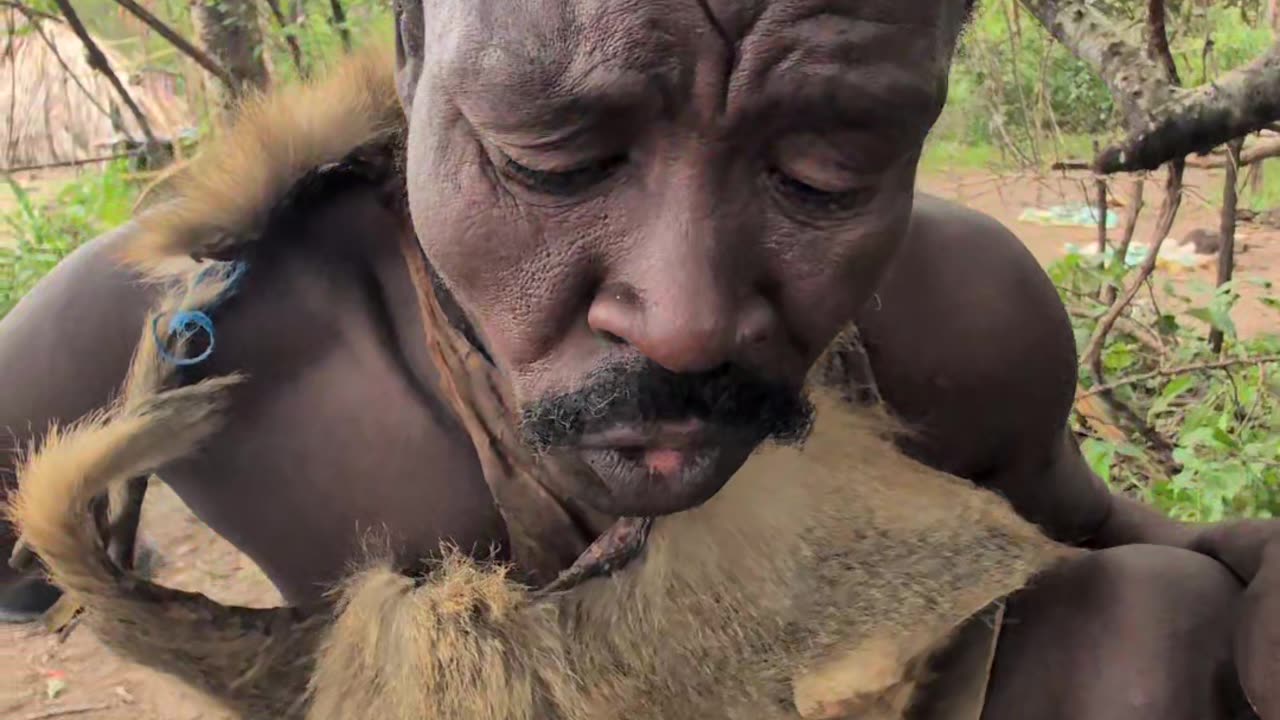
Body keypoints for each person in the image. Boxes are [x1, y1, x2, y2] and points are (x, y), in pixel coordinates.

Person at [0, 1, 1272, 717]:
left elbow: (1074, 526)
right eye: (556, 158)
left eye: (825, 171)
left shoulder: (953, 319)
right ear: (413, 52)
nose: (686, 321)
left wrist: (1224, 563)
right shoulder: (186, 338)